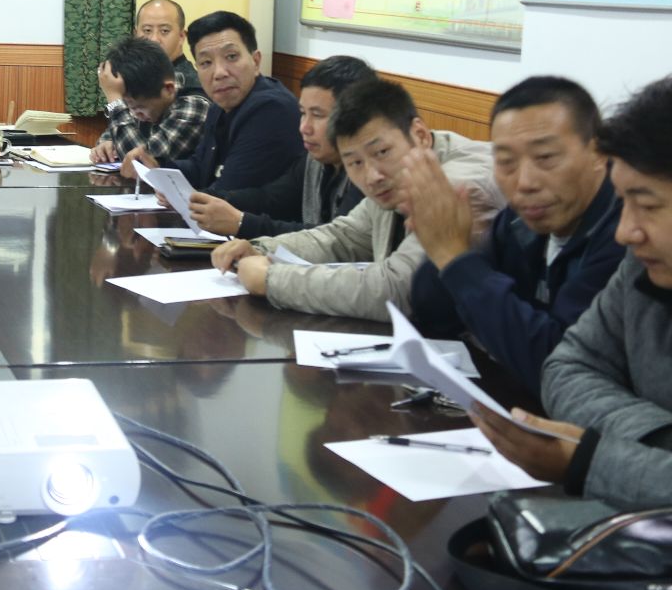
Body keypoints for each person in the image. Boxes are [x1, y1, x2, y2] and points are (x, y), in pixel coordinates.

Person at [472, 76, 672, 510]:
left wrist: (590, 460)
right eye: (624, 201)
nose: (625, 231)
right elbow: (567, 365)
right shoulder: (641, 265)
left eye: (648, 205)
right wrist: (659, 441)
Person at [211, 78, 502, 321]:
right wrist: (261, 249)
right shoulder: (400, 175)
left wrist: (272, 281)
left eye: (382, 152)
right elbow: (343, 237)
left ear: (420, 135)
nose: (372, 176)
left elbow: (398, 290)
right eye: (355, 163)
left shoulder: (459, 186)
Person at [406, 77, 625, 396]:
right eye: (506, 162)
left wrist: (454, 257)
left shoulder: (625, 233)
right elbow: (436, 319)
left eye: (545, 157)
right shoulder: (520, 220)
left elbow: (556, 366)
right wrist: (443, 247)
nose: (525, 182)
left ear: (598, 153)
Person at [187, 55, 375, 239]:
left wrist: (241, 223)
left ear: (354, 118)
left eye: (317, 115)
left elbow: (334, 240)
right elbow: (271, 198)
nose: (304, 127)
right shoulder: (314, 160)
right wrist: (207, 198)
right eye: (303, 113)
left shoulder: (371, 173)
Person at [122, 10, 302, 194]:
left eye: (231, 57)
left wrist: (180, 195)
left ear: (255, 62)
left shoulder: (270, 109)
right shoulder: (220, 106)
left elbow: (229, 191)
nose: (219, 73)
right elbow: (200, 167)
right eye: (206, 62)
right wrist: (158, 167)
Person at [90, 36, 209, 165]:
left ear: (169, 89)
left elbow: (142, 164)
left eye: (139, 108)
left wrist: (114, 101)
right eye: (127, 106)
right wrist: (106, 144)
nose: (134, 114)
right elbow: (112, 135)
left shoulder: (195, 106)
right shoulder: (139, 94)